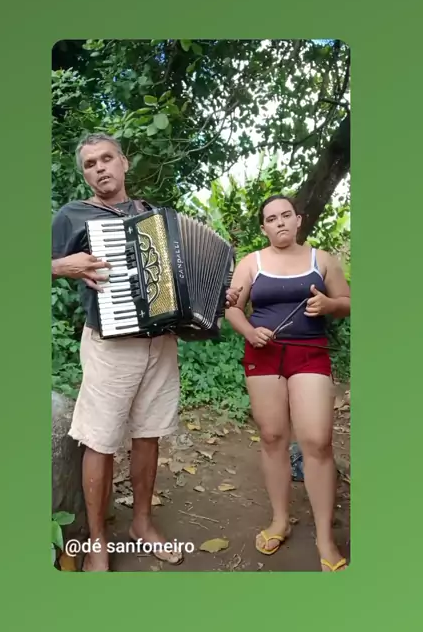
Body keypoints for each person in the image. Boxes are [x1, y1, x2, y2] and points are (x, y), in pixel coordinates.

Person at [51, 133, 241, 571]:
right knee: (99, 440)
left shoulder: (153, 215)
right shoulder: (73, 215)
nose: (100, 168)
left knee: (148, 433)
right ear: (85, 174)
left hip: (161, 343)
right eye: (90, 164)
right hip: (110, 346)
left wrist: (218, 296)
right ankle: (98, 541)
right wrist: (63, 265)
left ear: (124, 163)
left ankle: (141, 523)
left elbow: (180, 280)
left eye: (106, 158)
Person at [225, 195, 350, 572]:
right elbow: (232, 308)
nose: (279, 222)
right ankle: (280, 520)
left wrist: (329, 305)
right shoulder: (251, 263)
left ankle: (325, 537)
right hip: (263, 355)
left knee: (317, 441)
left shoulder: (321, 260)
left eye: (285, 215)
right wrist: (250, 331)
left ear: (298, 220)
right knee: (273, 437)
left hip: (310, 352)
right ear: (263, 228)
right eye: (271, 218)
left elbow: (346, 301)